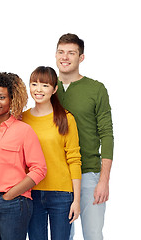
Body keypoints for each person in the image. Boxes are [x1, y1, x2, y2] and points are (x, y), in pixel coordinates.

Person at [0, 72, 47, 240]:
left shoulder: (24, 130)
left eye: (1, 97)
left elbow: (39, 169)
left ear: (12, 99)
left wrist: (11, 194)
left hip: (15, 202)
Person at [55, 33, 114, 240]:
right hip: (57, 178)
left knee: (93, 235)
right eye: (61, 52)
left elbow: (107, 134)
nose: (65, 57)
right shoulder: (47, 88)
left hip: (89, 173)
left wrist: (104, 180)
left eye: (71, 53)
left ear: (81, 58)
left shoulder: (96, 89)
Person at [23, 66, 81, 240]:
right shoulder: (22, 119)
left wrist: (76, 200)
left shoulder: (66, 118)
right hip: (31, 192)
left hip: (61, 194)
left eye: (45, 85)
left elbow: (74, 160)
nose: (38, 90)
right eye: (34, 84)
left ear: (54, 89)